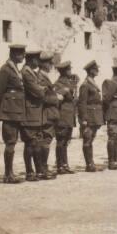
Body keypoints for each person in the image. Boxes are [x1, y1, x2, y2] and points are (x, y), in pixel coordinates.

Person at [0, 44, 26, 184]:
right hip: (9, 111)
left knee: (12, 142)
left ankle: (10, 173)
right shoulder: (5, 70)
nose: (23, 57)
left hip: (16, 110)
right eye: (21, 54)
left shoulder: (15, 69)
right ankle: (7, 174)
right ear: (13, 54)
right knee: (10, 142)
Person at [20, 50, 46, 182]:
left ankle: (39, 171)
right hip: (29, 113)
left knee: (36, 143)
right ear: (32, 60)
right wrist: (44, 89)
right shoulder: (26, 72)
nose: (39, 62)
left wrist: (42, 88)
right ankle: (29, 172)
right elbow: (38, 92)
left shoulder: (31, 72)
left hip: (34, 112)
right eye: (37, 59)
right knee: (30, 143)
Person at [78, 60, 103, 172]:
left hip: (94, 115)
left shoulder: (92, 83)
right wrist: (84, 119)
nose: (97, 71)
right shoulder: (85, 85)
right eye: (95, 69)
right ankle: (89, 164)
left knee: (91, 139)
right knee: (87, 139)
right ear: (90, 71)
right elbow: (82, 103)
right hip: (89, 116)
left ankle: (91, 162)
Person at [102, 60, 117, 170]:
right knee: (112, 137)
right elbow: (106, 99)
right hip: (114, 114)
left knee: (116, 138)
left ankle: (115, 159)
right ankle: (111, 161)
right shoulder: (111, 82)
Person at [37, 52, 58, 180]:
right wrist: (57, 98)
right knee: (45, 141)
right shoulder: (40, 77)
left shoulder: (44, 77)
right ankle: (42, 169)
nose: (51, 65)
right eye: (49, 63)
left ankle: (43, 168)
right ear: (42, 64)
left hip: (49, 113)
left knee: (46, 140)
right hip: (45, 113)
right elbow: (43, 97)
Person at [53, 61, 77, 174]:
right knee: (61, 141)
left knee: (66, 141)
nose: (70, 71)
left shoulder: (69, 83)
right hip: (62, 117)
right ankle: (60, 165)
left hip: (69, 117)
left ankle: (65, 164)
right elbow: (57, 100)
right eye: (69, 69)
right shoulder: (58, 84)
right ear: (64, 71)